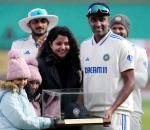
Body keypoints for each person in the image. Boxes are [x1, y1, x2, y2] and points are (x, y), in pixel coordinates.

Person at [80, 2, 135, 130]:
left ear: (108, 20)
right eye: (94, 20)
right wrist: (79, 106)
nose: (98, 24)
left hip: (115, 114)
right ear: (88, 20)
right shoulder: (84, 45)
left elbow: (130, 81)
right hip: (89, 114)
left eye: (102, 19)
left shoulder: (121, 44)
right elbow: (84, 81)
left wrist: (111, 109)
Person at [37, 26, 82, 130]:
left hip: (72, 121)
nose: (63, 47)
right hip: (49, 123)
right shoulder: (40, 65)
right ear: (50, 44)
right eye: (58, 43)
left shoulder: (75, 66)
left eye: (66, 44)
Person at [0, 50, 56, 130]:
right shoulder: (9, 96)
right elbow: (21, 122)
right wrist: (49, 122)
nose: (23, 82)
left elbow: (31, 118)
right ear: (11, 79)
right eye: (19, 79)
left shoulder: (21, 94)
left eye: (25, 79)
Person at [110, 14, 148, 130]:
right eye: (114, 28)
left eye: (121, 28)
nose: (117, 31)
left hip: (132, 110)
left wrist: (123, 70)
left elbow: (141, 81)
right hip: (108, 110)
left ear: (127, 31)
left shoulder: (138, 51)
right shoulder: (103, 52)